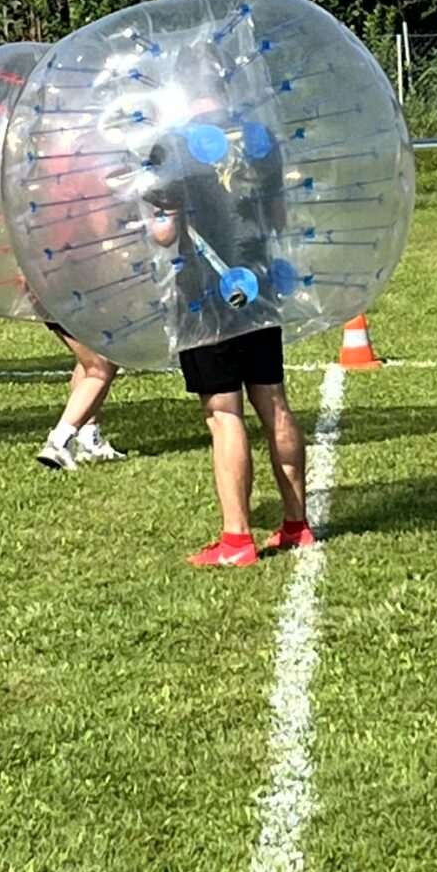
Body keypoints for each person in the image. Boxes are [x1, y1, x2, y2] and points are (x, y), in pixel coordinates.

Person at [141, 108, 313, 566]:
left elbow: (165, 233)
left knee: (223, 413)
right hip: (258, 282)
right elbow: (277, 217)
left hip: (204, 295)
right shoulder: (258, 136)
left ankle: (236, 540)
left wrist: (148, 211)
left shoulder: (172, 144)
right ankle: (297, 525)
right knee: (274, 401)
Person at [35, 324, 127, 470]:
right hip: (70, 305)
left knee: (89, 362)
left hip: (53, 306)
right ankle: (58, 444)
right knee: (100, 370)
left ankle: (88, 441)